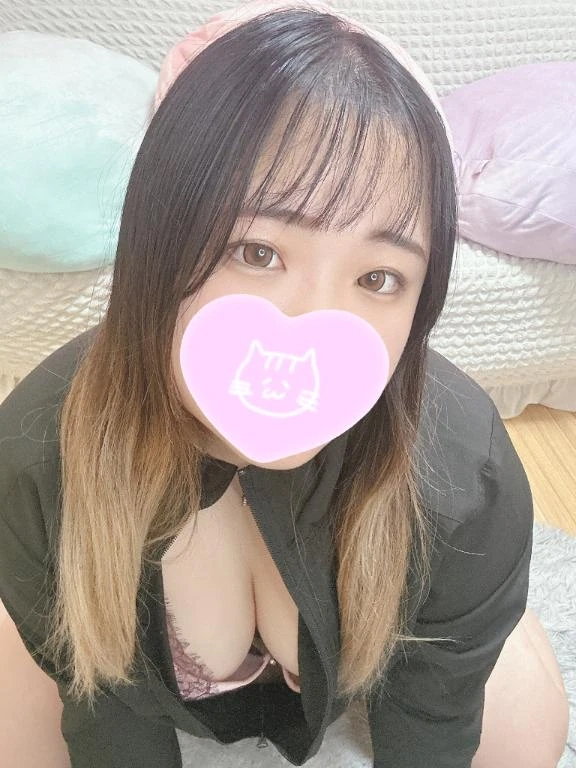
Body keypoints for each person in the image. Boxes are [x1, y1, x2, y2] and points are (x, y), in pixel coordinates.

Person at [0, 1, 569, 766]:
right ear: (158, 239)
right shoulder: (38, 454)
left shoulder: (463, 471)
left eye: (378, 277)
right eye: (258, 252)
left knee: (519, 730)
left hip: (384, 663)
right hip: (121, 661)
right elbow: (104, 716)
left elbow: (435, 723)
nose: (311, 326)